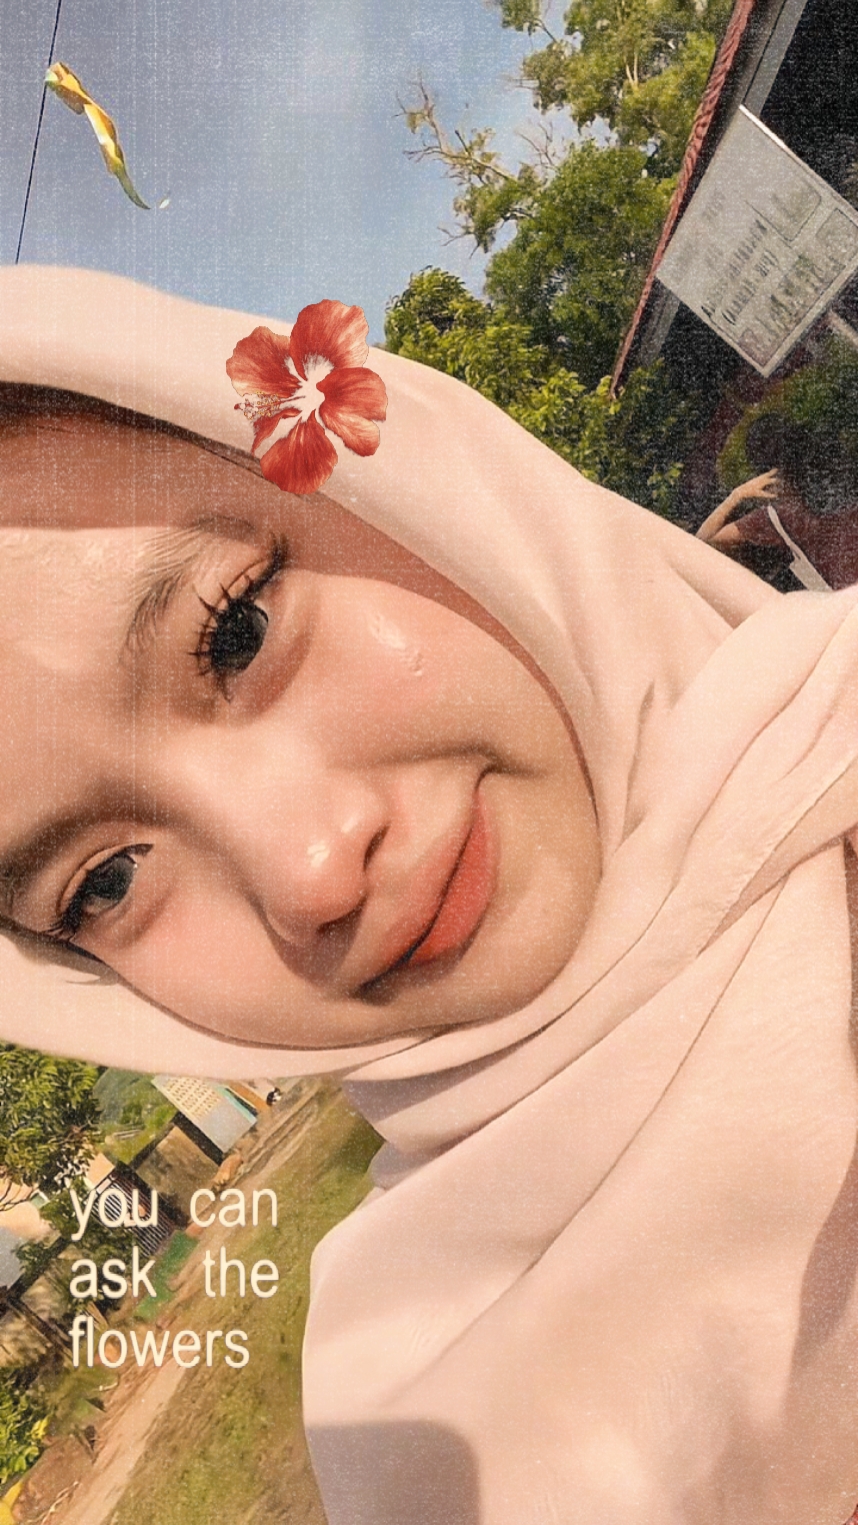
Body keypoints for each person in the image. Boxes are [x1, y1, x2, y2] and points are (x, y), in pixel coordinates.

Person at [1, 264, 858, 1525]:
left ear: (416, 488)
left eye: (237, 632)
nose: (309, 869)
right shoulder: (426, 1438)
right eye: (104, 882)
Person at [696, 414, 858, 590]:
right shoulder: (845, 478)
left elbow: (700, 543)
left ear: (768, 474)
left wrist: (737, 495)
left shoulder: (781, 517)